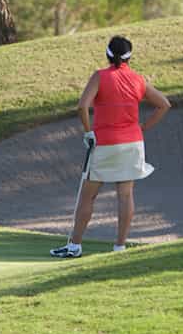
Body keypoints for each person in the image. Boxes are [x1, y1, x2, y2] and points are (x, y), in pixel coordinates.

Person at [50, 35, 172, 257]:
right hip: (132, 143)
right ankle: (120, 247)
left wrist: (88, 132)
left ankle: (75, 246)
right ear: (129, 57)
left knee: (88, 196)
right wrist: (143, 127)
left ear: (107, 54)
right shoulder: (138, 79)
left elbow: (82, 106)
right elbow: (164, 104)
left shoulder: (100, 76)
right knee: (125, 196)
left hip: (105, 143)